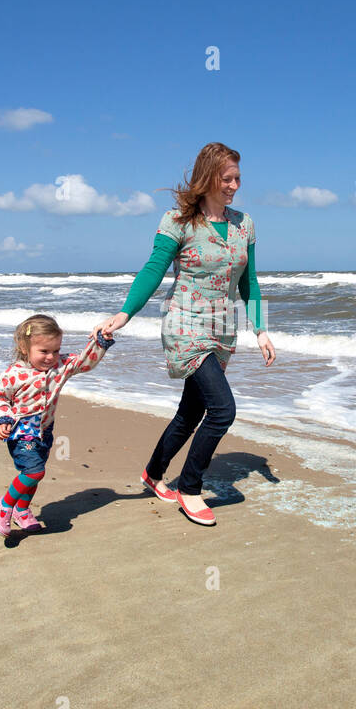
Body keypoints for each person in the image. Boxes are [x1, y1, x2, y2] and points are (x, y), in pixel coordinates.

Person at [95, 142, 275, 526]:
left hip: (224, 330)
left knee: (191, 411)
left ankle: (153, 473)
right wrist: (125, 313)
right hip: (185, 324)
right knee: (223, 409)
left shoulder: (246, 224)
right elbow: (153, 269)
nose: (233, 185)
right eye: (226, 178)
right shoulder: (177, 221)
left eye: (237, 178)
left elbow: (251, 283)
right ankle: (190, 488)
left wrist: (260, 329)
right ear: (207, 177)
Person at [0, 314, 114, 536]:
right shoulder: (13, 375)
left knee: (35, 474)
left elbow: (84, 362)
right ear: (24, 347)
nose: (51, 357)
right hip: (20, 431)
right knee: (34, 471)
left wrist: (99, 342)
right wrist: (3, 419)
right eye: (44, 352)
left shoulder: (60, 366)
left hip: (44, 431)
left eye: (55, 351)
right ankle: (4, 504)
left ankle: (22, 509)